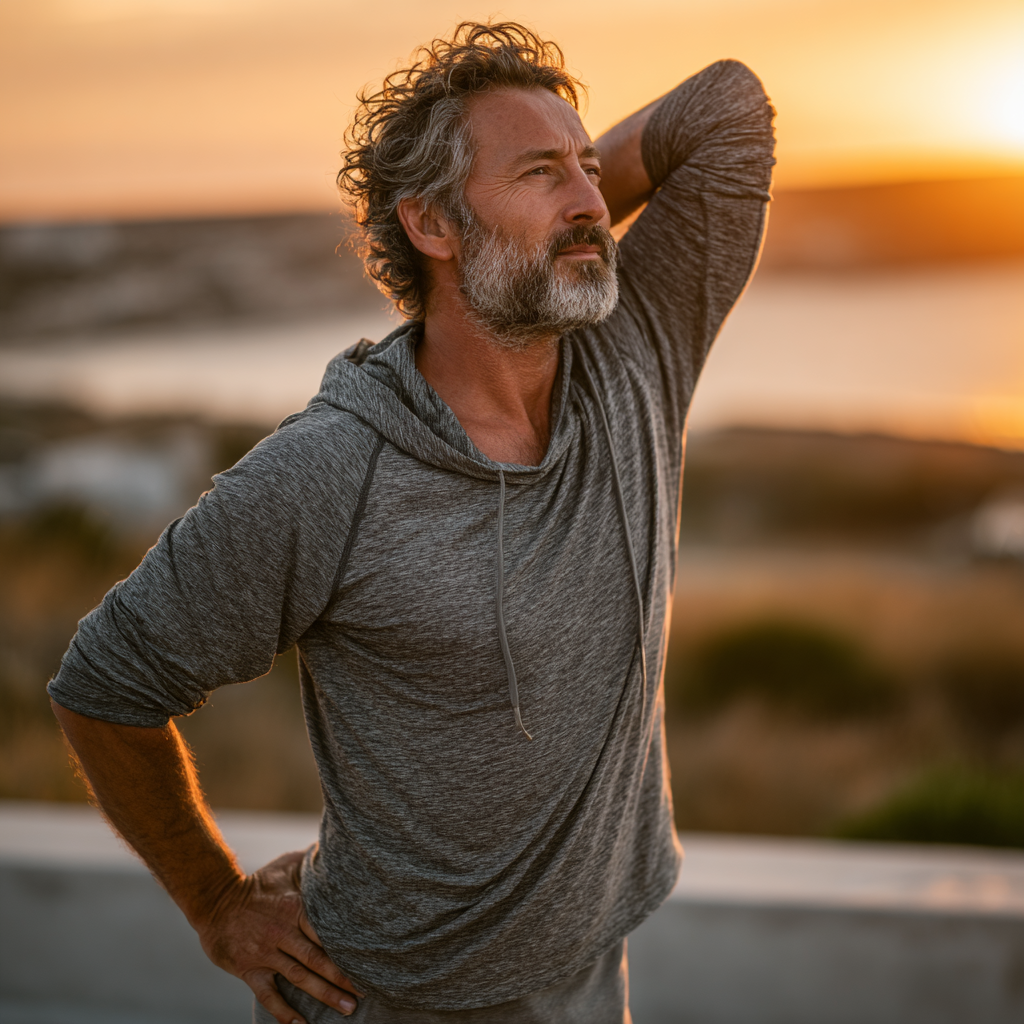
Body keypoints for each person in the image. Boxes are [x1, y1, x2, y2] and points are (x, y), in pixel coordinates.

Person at [49, 22, 775, 1024]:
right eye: (537, 172)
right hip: (388, 1001)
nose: (589, 199)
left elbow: (726, 108)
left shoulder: (635, 350)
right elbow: (105, 684)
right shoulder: (326, 472)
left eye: (585, 167)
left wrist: (558, 205)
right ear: (432, 224)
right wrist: (215, 901)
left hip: (587, 978)